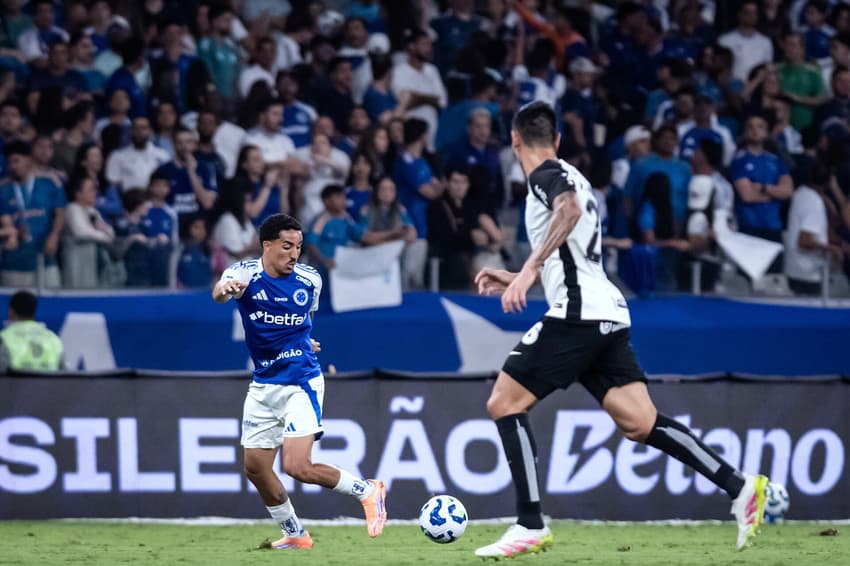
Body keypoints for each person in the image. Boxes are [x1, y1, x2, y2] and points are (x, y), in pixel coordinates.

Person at [472, 101, 771, 559]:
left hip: (578, 314)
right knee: (639, 422)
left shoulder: (544, 176)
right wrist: (516, 276)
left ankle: (529, 524)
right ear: (557, 138)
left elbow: (567, 213)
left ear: (515, 140)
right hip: (607, 310)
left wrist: (528, 270)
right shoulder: (577, 174)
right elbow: (573, 256)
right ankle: (740, 486)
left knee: (503, 402)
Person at [211, 213, 388, 550]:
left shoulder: (310, 280)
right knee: (256, 468)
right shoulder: (242, 274)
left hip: (301, 381)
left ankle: (368, 491)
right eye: (286, 246)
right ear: (267, 245)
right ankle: (294, 533)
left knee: (296, 465)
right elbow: (219, 293)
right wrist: (225, 289)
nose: (294, 254)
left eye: (299, 247)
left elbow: (301, 321)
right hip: (264, 384)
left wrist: (304, 342)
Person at [0, 290, 63, 372]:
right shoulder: (53, 339)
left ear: (11, 311)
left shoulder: (4, 338)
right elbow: (65, 377)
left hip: (15, 384)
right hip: (49, 385)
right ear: (34, 312)